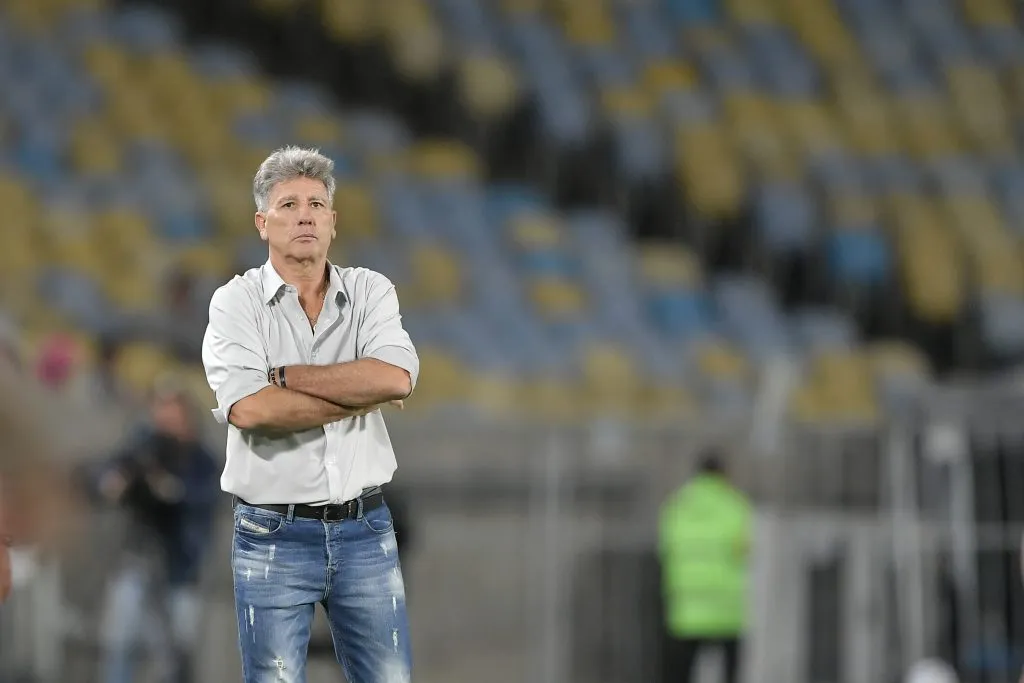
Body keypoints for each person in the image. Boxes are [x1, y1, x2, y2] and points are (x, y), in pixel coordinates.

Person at [202, 146, 419, 683]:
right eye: (289, 204)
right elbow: (251, 410)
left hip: (366, 526)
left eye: (317, 204)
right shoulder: (235, 304)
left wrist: (288, 376)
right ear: (262, 223)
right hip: (272, 532)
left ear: (333, 221)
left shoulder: (371, 290)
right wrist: (356, 391)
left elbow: (396, 379)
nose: (305, 215)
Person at [89, 380, 219, 683]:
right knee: (120, 642)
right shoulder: (141, 447)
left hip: (180, 567)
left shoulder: (201, 458)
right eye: (160, 411)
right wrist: (116, 482)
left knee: (176, 652)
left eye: (172, 412)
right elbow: (105, 477)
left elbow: (203, 498)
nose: (164, 419)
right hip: (136, 559)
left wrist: (172, 490)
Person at [658, 452, 752, 683]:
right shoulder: (735, 506)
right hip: (727, 610)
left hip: (686, 609)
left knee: (679, 674)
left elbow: (665, 550)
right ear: (724, 473)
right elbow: (744, 550)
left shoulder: (677, 506)